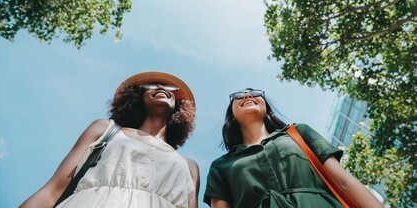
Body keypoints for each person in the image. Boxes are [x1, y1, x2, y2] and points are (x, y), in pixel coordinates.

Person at [20, 71, 200, 208]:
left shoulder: (190, 166)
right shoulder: (105, 129)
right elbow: (53, 189)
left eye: (169, 89)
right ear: (136, 96)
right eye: (152, 85)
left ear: (179, 105)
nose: (161, 88)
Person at [204, 88, 384, 208]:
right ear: (232, 116)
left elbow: (343, 181)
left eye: (255, 93)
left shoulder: (298, 132)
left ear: (267, 109)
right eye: (239, 96)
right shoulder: (221, 166)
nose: (247, 96)